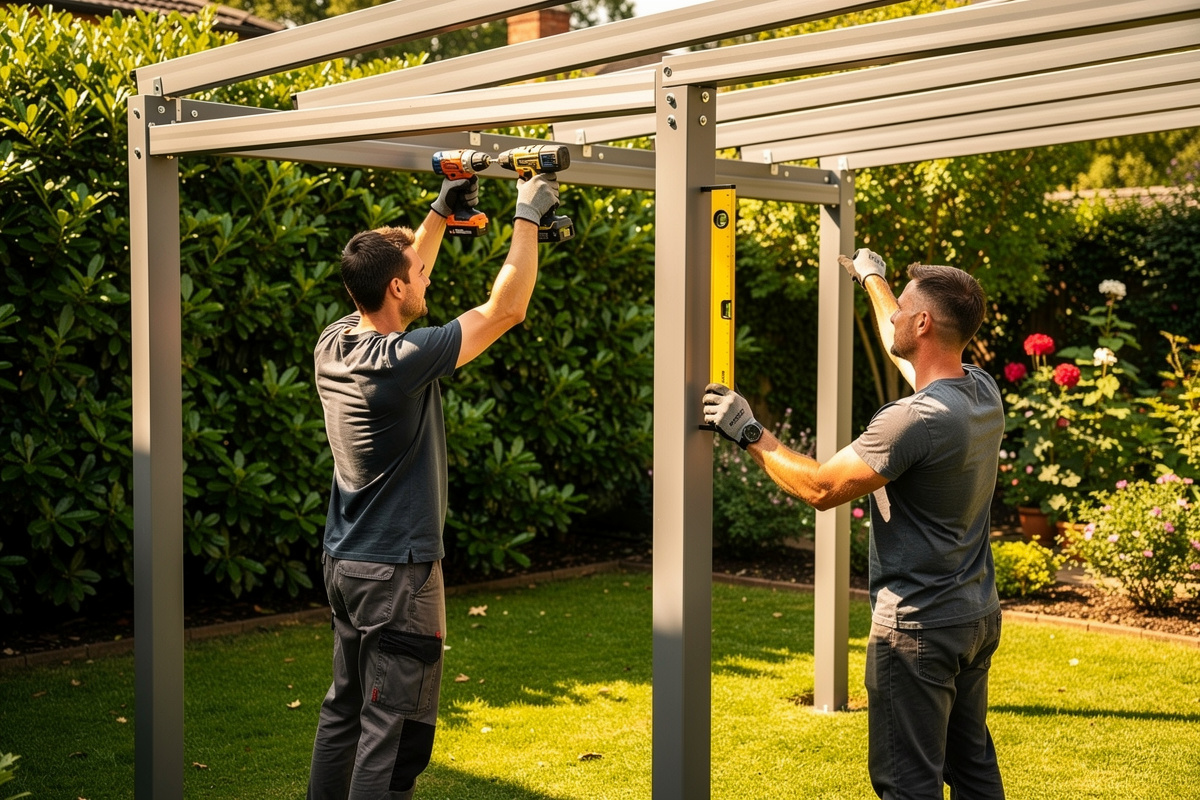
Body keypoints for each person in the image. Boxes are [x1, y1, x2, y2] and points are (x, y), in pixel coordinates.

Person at [702, 250, 1006, 800]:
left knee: (907, 784)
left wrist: (749, 431)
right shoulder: (981, 390)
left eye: (903, 309)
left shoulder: (911, 420)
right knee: (973, 769)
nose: (895, 315)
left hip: (917, 630)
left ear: (923, 324)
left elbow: (821, 488)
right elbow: (905, 348)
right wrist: (874, 281)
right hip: (974, 616)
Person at [307, 170, 561, 800]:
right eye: (419, 274)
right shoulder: (402, 362)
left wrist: (440, 213)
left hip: (345, 563)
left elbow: (399, 269)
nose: (427, 277)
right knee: (393, 732)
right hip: (397, 574)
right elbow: (506, 309)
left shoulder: (334, 344)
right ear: (396, 288)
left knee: (344, 711)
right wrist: (527, 214)